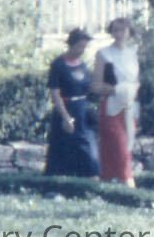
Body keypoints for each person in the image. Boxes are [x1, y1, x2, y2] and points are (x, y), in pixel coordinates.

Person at [44, 28, 100, 177]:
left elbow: (88, 89)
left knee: (89, 151)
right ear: (72, 44)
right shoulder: (58, 65)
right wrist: (66, 117)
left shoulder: (82, 65)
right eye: (80, 46)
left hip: (83, 112)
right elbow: (55, 94)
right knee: (63, 152)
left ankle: (89, 181)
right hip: (66, 111)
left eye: (85, 47)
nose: (82, 50)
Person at [93, 16, 140, 186]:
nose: (119, 34)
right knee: (119, 146)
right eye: (116, 30)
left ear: (129, 32)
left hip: (130, 107)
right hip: (111, 106)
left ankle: (107, 184)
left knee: (124, 146)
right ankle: (129, 184)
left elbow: (136, 81)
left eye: (123, 30)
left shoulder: (133, 53)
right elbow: (96, 86)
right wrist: (116, 90)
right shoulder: (103, 54)